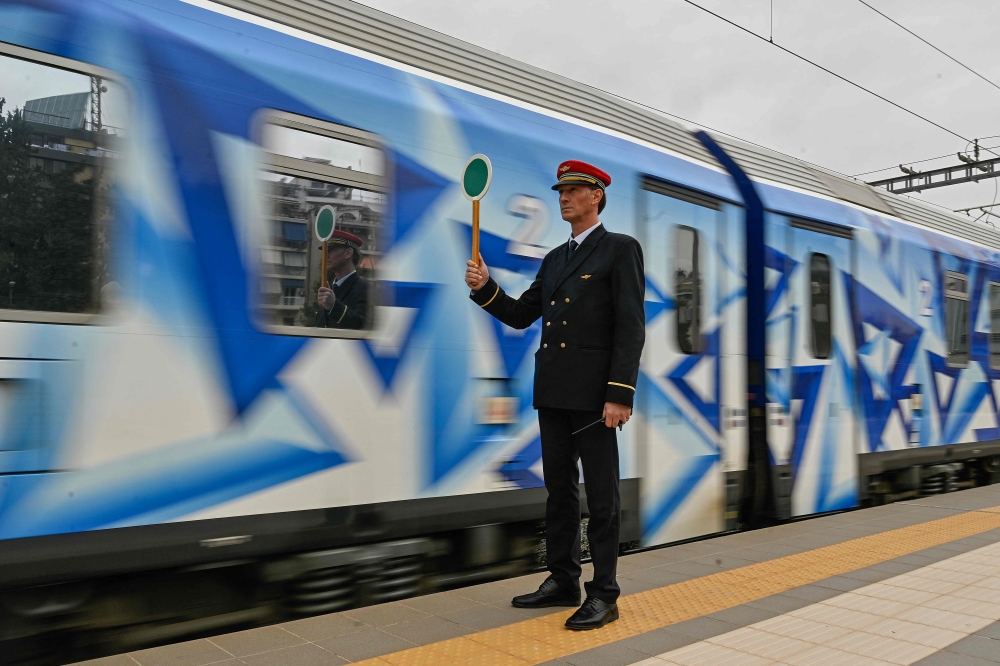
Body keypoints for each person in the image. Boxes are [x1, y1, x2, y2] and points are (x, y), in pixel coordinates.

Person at [465, 160, 645, 630]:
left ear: (596, 197)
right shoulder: (555, 259)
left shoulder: (620, 249)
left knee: (602, 497)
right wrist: (487, 289)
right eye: (561, 190)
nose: (563, 197)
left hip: (595, 397)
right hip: (554, 391)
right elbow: (523, 314)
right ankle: (563, 579)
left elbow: (630, 327)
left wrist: (619, 393)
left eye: (573, 190)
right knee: (558, 492)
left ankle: (604, 593)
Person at [315, 230, 371, 329]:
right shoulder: (330, 288)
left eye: (331, 250)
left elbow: (363, 326)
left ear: (348, 253)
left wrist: (334, 306)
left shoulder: (365, 287)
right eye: (324, 251)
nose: (325, 256)